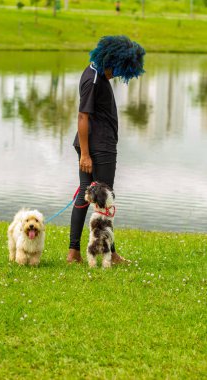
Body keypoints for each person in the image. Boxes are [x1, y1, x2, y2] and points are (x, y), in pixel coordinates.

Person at [67, 35, 145, 264]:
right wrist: (85, 153)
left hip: (96, 146)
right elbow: (82, 116)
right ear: (111, 59)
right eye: (118, 70)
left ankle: (74, 253)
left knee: (85, 194)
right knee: (105, 200)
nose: (117, 75)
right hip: (98, 148)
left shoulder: (96, 72)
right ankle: (110, 254)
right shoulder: (92, 79)